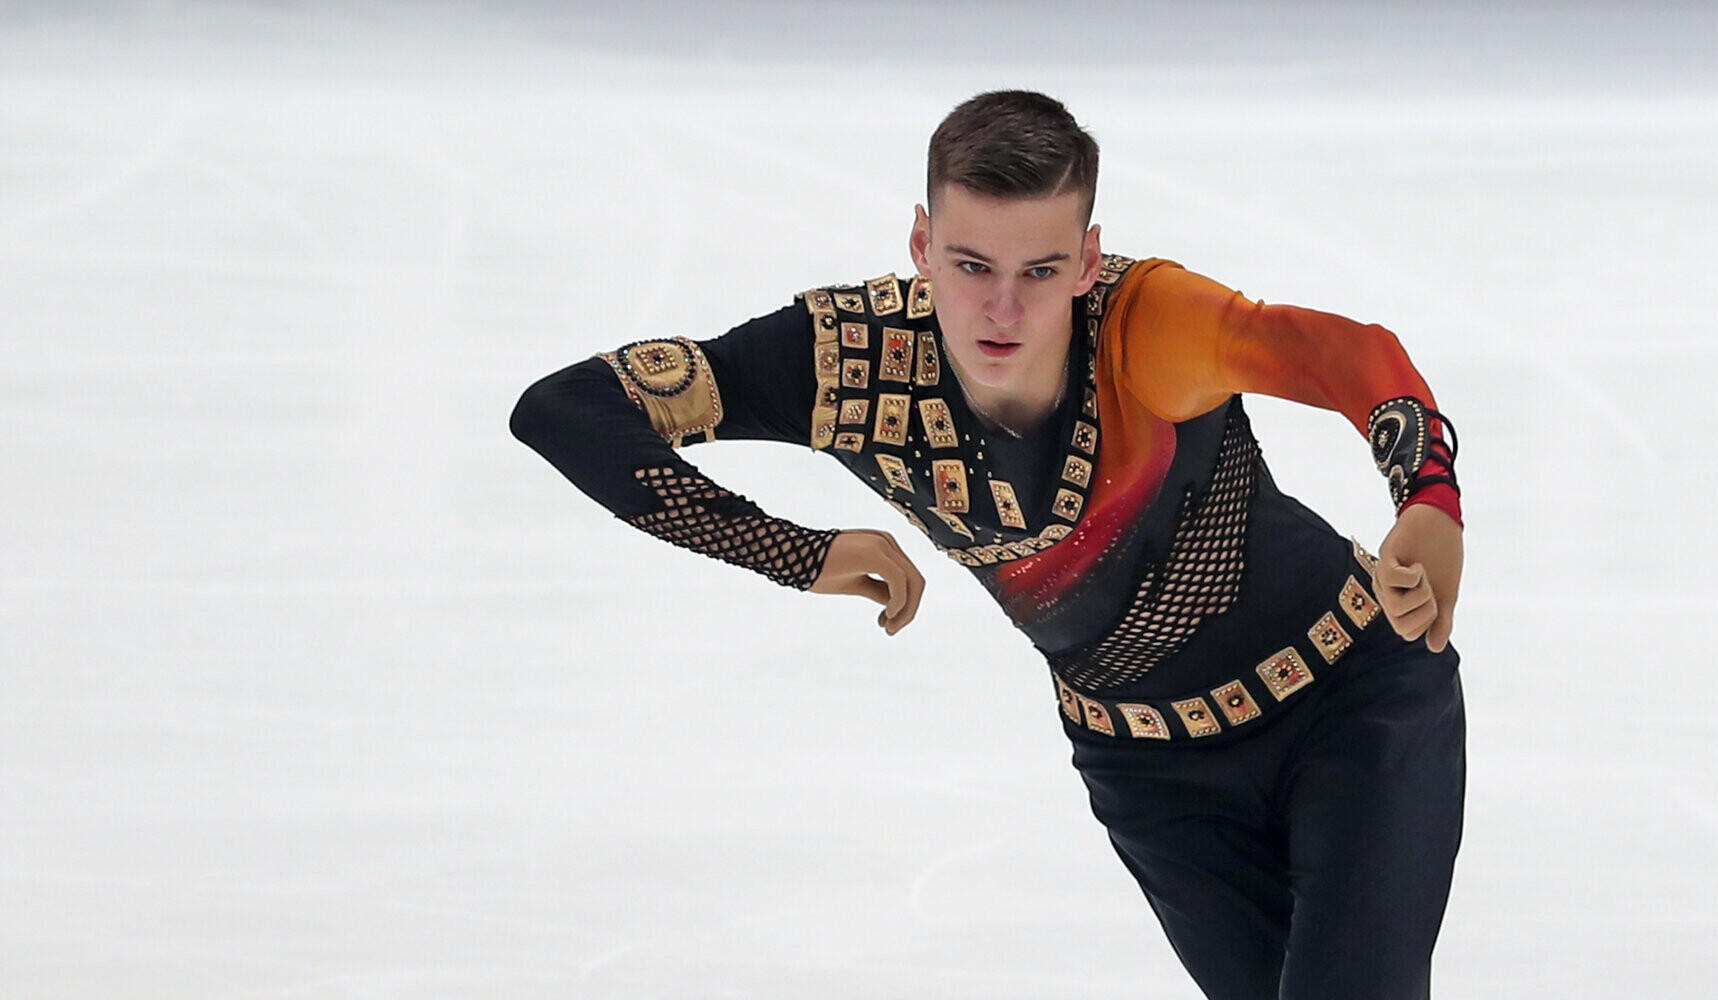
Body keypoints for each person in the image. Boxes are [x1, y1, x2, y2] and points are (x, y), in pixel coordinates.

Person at [510, 89, 1465, 1000]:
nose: (1003, 311)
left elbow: (1342, 352)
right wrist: (788, 551)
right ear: (922, 245)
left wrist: (1428, 495)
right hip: (1152, 775)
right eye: (972, 267)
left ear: (1087, 260)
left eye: (1040, 272)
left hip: (1352, 702)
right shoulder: (851, 361)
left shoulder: (1145, 327)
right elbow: (567, 408)